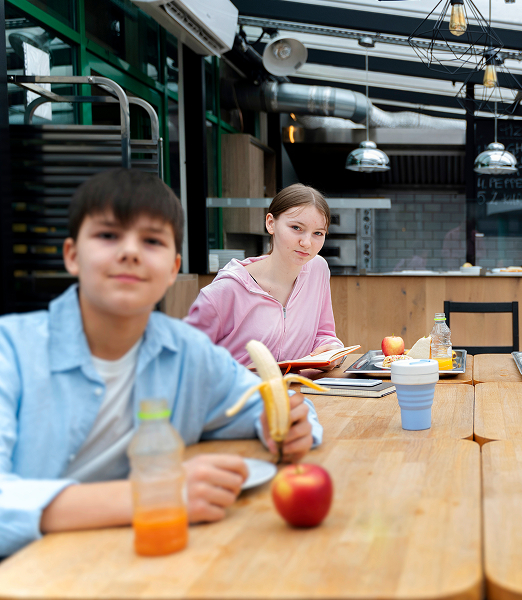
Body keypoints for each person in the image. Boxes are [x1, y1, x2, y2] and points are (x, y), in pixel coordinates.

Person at [0, 169, 323, 558]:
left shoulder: (188, 354)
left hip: (150, 560)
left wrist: (286, 425)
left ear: (173, 268)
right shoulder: (11, 351)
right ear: (71, 255)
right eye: (108, 236)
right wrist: (158, 493)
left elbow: (266, 405)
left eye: (151, 240)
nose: (130, 252)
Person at [185, 184, 343, 367]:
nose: (306, 242)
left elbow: (323, 335)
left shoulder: (318, 270)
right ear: (271, 223)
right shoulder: (227, 289)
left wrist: (333, 351)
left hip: (297, 392)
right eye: (296, 228)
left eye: (318, 233)